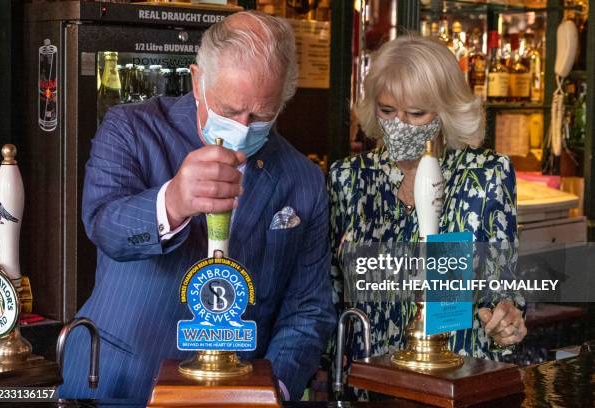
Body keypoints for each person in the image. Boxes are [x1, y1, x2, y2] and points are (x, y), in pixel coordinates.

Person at [59, 11, 335, 404]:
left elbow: (308, 310)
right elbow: (105, 227)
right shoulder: (132, 129)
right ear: (196, 80)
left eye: (260, 115)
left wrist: (274, 391)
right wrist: (173, 201)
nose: (241, 128)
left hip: (237, 392)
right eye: (227, 109)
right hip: (118, 381)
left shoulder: (302, 179)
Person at [328, 34, 527, 393]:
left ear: (448, 110)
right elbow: (329, 290)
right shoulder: (348, 178)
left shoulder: (485, 175)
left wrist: (506, 321)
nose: (399, 125)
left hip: (456, 382)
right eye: (387, 111)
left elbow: (504, 286)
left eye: (417, 113)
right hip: (371, 384)